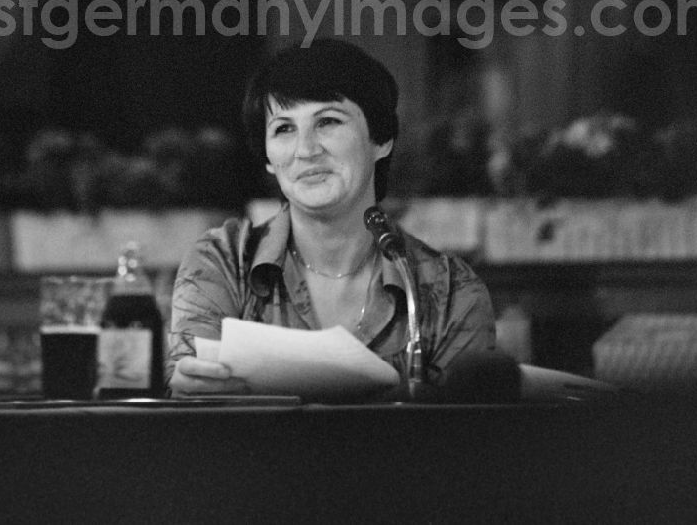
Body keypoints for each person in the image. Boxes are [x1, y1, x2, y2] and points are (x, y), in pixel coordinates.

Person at [166, 38, 496, 397]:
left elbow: (463, 441)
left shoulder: (450, 292)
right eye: (284, 129)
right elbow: (195, 418)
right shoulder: (224, 264)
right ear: (266, 157)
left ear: (381, 139)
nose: (305, 150)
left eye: (327, 122)